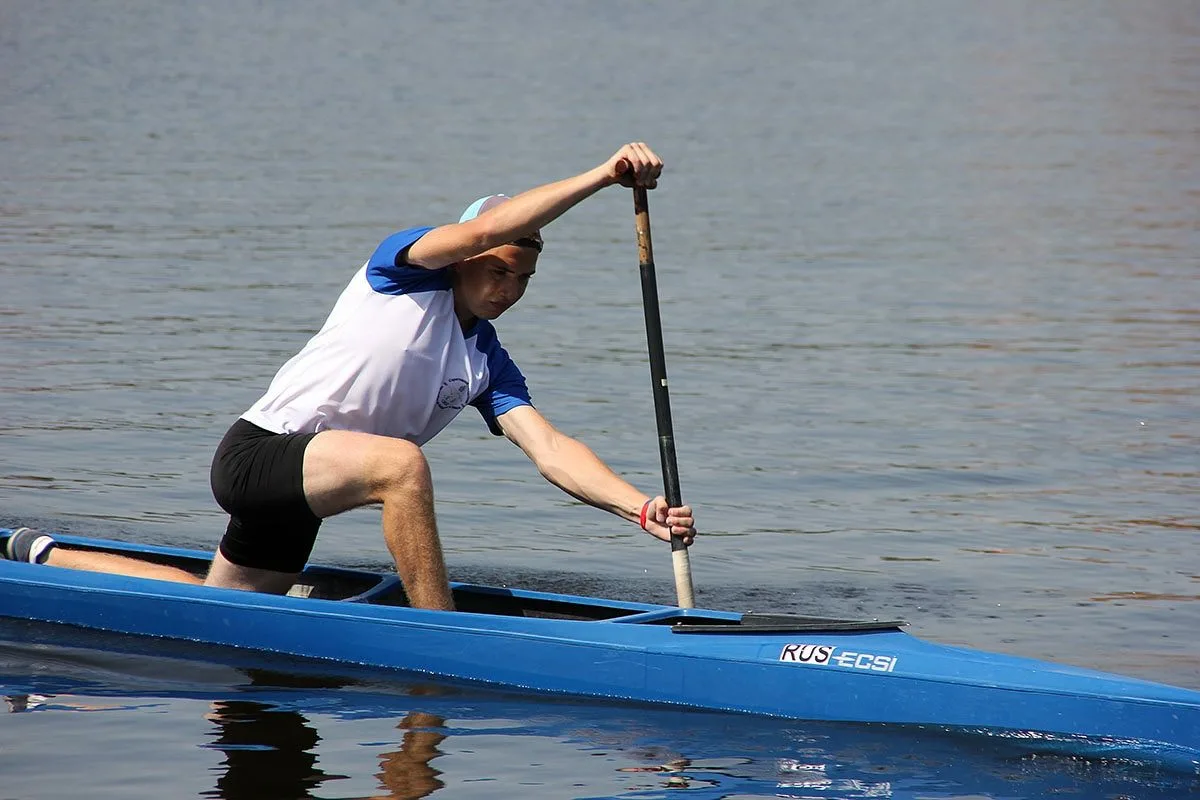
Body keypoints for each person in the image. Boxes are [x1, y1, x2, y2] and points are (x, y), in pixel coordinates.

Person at [4, 142, 697, 610]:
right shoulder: (401, 270)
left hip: (311, 483)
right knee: (401, 465)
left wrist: (639, 509)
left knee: (219, 605)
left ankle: (39, 556)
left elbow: (549, 448)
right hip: (259, 456)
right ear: (464, 256)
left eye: (524, 278)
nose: (509, 287)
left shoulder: (486, 358)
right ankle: (439, 639)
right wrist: (602, 177)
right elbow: (489, 231)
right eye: (496, 268)